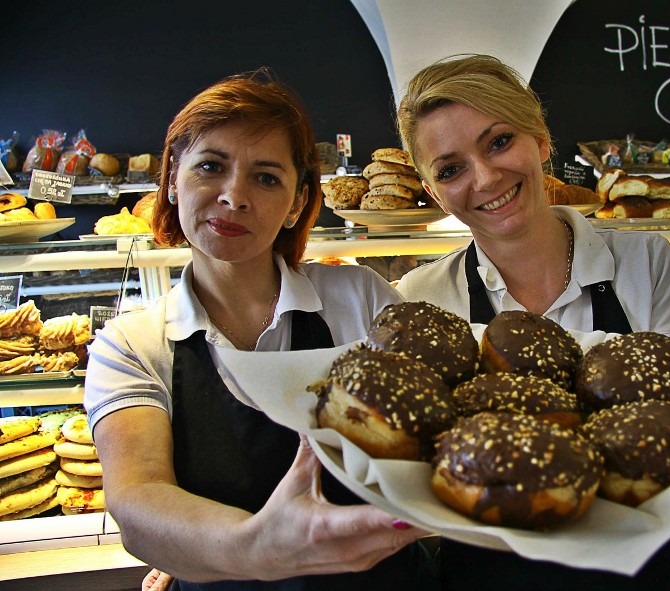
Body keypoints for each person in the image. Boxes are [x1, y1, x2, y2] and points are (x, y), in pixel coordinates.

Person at [84, 70, 435, 590]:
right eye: (211, 166)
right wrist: (255, 548)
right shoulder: (132, 344)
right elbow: (137, 500)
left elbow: (437, 429)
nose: (234, 196)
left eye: (267, 177)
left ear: (297, 203)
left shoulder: (359, 300)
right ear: (174, 178)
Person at [394, 54, 670, 590]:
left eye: (498, 142)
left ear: (540, 140)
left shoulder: (646, 262)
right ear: (432, 189)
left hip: (633, 562)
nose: (485, 178)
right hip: (486, 572)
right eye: (450, 169)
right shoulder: (423, 296)